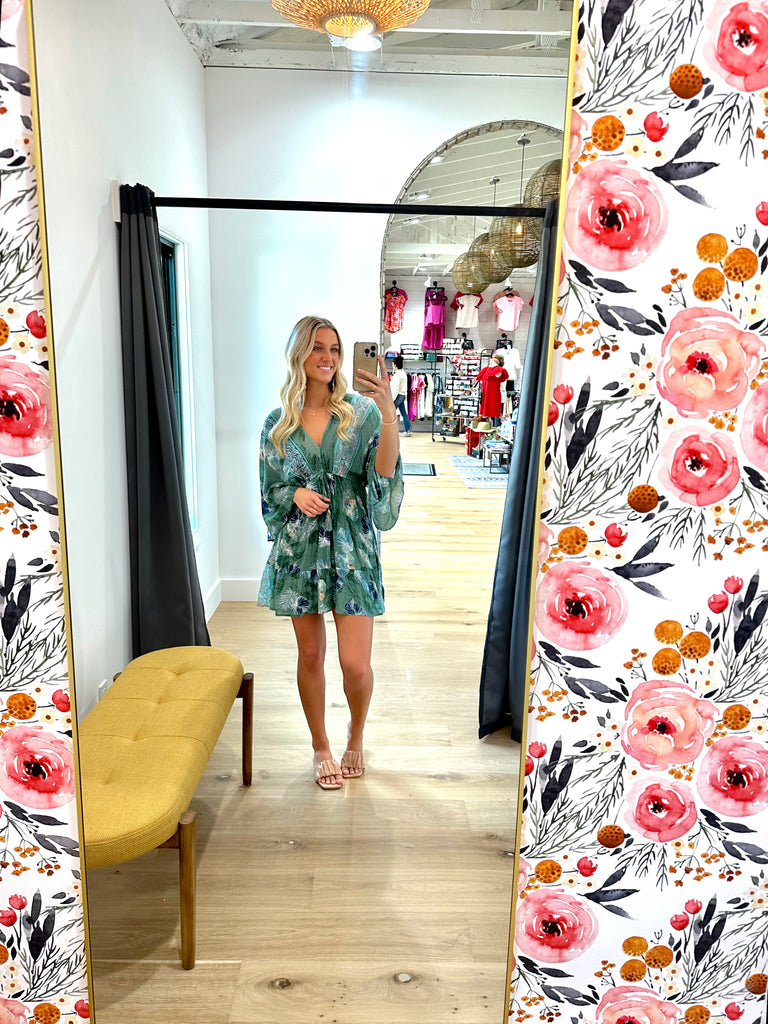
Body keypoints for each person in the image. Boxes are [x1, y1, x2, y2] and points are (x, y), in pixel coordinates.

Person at [258, 316, 404, 790]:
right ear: (298, 354)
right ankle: (320, 746)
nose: (328, 357)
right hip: (300, 550)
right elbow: (270, 490)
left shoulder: (359, 412)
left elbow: (384, 472)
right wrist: (295, 493)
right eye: (317, 348)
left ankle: (355, 734)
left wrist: (387, 412)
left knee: (355, 664)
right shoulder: (277, 423)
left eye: (335, 349)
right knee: (310, 655)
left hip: (352, 545)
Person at [389, 354, 413, 436]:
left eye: (393, 364)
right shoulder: (403, 373)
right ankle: (408, 430)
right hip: (402, 395)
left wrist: (391, 400)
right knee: (404, 413)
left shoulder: (397, 375)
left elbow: (395, 389)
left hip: (397, 396)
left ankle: (390, 431)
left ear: (395, 365)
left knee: (391, 413)